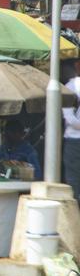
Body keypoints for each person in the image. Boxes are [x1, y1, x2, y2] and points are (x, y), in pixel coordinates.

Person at [64, 63, 80, 200]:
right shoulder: (71, 87)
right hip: (74, 141)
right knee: (74, 181)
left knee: (73, 180)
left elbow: (69, 118)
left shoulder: (71, 87)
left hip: (74, 141)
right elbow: (70, 118)